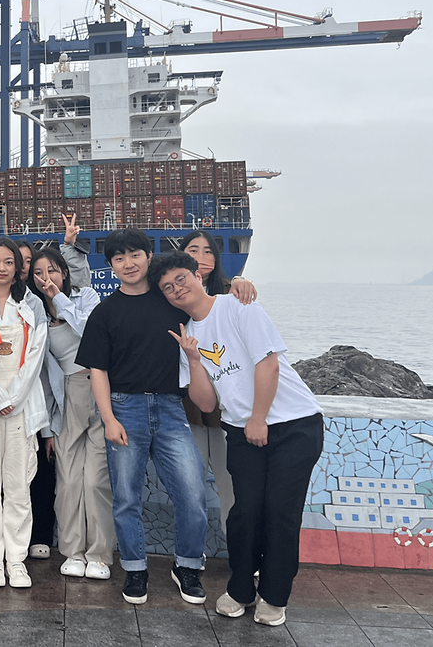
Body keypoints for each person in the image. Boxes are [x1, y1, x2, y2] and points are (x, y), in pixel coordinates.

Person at [155, 251, 323, 628]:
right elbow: (206, 402)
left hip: (294, 424)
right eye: (167, 287)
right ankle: (241, 589)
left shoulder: (238, 306)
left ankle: (274, 597)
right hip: (241, 429)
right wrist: (193, 360)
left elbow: (268, 363)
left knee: (280, 512)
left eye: (181, 279)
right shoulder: (187, 336)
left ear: (198, 275)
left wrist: (259, 418)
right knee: (245, 512)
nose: (176, 289)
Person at [76, 228, 208, 607]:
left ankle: (187, 566)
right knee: (125, 498)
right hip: (124, 408)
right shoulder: (105, 312)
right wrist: (109, 418)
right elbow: (97, 371)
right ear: (111, 265)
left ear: (149, 257)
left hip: (170, 407)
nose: (128, 263)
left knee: (192, 493)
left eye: (135, 254)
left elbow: (208, 300)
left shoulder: (171, 300)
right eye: (119, 258)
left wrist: (242, 286)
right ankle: (135, 569)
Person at [29, 244, 116, 581]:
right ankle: (72, 551)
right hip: (65, 398)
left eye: (52, 270)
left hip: (98, 390)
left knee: (95, 480)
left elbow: (92, 335)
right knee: (67, 482)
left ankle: (99, 554)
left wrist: (61, 300)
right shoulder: (35, 310)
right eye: (38, 273)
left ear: (64, 272)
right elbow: (42, 374)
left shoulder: (86, 298)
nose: (45, 278)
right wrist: (48, 428)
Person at [0, 237, 49, 590]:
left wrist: (14, 396)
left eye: (8, 262)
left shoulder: (32, 303)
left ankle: (16, 559)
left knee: (18, 485)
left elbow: (36, 354)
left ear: (18, 267)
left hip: (21, 404)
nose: (1, 268)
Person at [178, 230, 258, 538]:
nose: (201, 257)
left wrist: (239, 280)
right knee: (190, 484)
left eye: (208, 251)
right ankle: (191, 551)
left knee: (231, 484)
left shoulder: (232, 292)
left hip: (229, 409)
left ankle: (239, 549)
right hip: (189, 405)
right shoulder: (174, 295)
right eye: (193, 250)